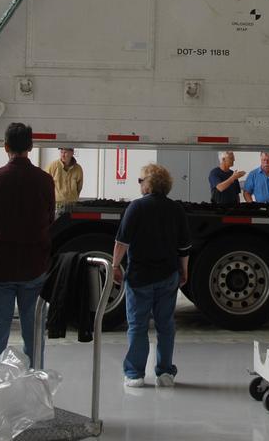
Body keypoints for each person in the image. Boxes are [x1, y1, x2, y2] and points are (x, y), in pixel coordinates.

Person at [0, 122, 55, 367]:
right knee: (34, 334)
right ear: (31, 147)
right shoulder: (45, 181)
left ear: (5, 147)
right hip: (33, 267)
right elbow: (50, 217)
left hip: (0, 265)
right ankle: (35, 383)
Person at [111, 163, 191, 388]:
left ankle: (135, 374)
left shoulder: (136, 208)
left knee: (137, 325)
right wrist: (184, 270)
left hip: (140, 277)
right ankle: (165, 373)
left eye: (139, 180)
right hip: (168, 276)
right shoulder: (176, 210)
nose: (139, 184)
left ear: (148, 183)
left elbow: (121, 243)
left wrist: (115, 265)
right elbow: (184, 247)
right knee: (166, 325)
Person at [47, 146, 84, 218]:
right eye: (61, 152)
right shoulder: (53, 166)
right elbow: (45, 184)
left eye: (65, 152)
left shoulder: (78, 168)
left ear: (72, 153)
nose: (62, 155)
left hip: (72, 205)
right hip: (56, 205)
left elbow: (79, 187)